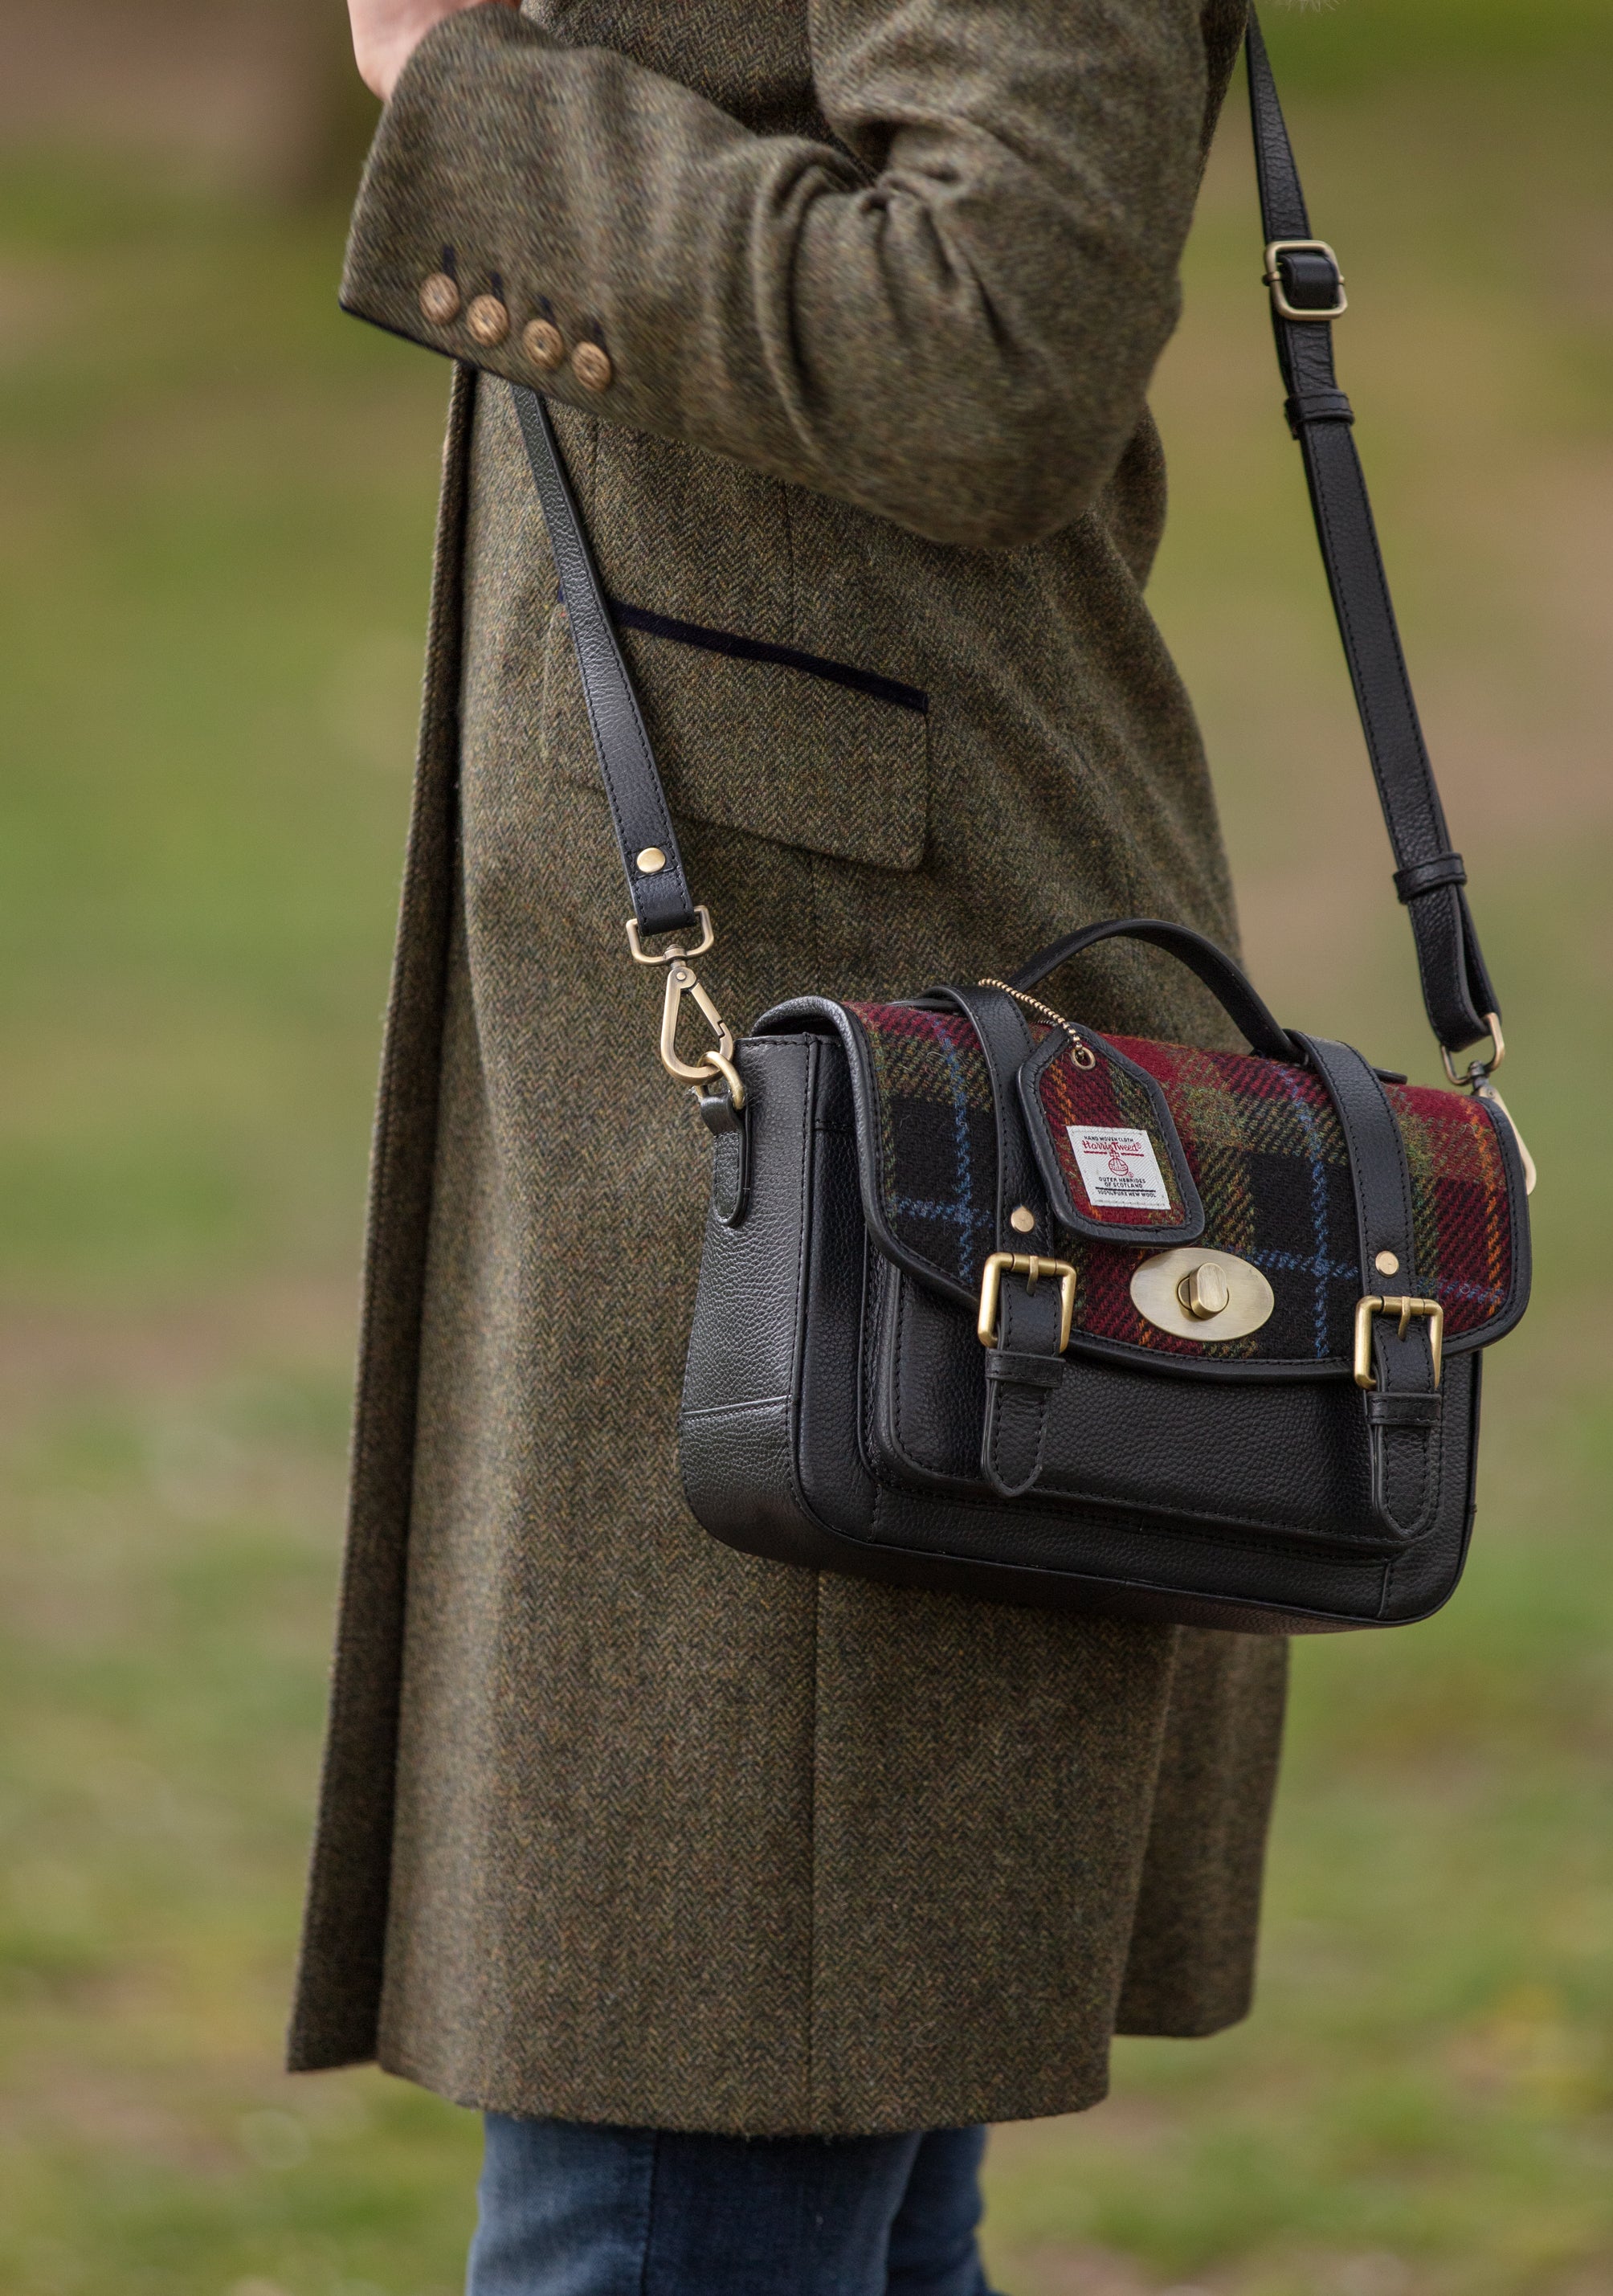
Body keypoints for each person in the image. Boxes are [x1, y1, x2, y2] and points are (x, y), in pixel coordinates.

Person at [289, 0, 1288, 2287]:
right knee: (800, 2176)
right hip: (756, 1045)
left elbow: (993, 333)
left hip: (867, 1083)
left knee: (673, 2168)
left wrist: (478, 83)